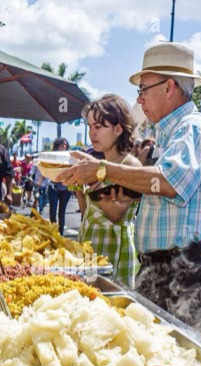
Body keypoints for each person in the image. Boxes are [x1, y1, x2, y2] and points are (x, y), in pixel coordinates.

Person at [58, 42, 201, 334]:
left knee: (176, 354)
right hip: (162, 268)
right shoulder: (173, 132)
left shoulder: (192, 128)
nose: (140, 98)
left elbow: (169, 181)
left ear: (169, 87)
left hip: (181, 271)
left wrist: (101, 170)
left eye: (143, 89)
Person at [75, 95, 142, 287]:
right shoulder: (98, 163)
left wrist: (92, 181)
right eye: (89, 126)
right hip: (90, 248)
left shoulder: (129, 165)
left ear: (118, 129)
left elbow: (115, 214)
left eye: (98, 126)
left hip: (115, 254)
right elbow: (86, 212)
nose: (92, 133)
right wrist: (76, 184)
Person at [46, 137, 72, 235]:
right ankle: (53, 232)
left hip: (65, 189)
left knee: (62, 213)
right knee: (52, 212)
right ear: (57, 146)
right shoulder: (52, 156)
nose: (63, 146)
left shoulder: (70, 157)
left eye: (65, 145)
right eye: (61, 145)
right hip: (53, 187)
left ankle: (60, 235)